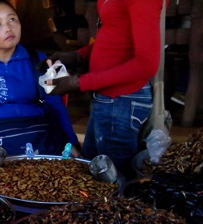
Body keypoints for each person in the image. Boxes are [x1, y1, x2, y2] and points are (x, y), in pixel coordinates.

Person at [41, 0, 163, 178]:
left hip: (122, 101)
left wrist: (79, 82)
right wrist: (78, 56)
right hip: (108, 100)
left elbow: (146, 64)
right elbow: (115, 36)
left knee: (114, 182)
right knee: (93, 171)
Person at [0, 0, 80, 157]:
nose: (8, 28)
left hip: (38, 139)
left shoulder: (38, 61)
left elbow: (56, 106)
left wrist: (71, 142)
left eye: (12, 19)